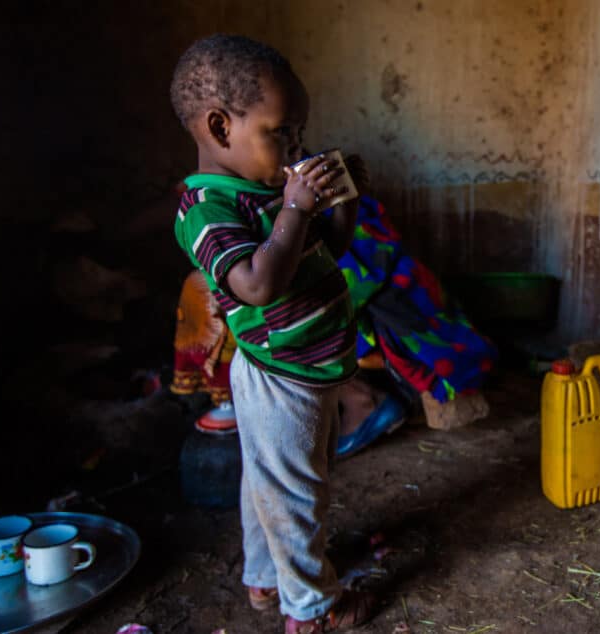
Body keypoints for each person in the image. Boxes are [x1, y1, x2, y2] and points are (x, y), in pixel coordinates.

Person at [170, 34, 380, 632]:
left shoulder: (268, 191)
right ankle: (313, 610)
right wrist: (296, 207)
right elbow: (257, 286)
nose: (296, 147)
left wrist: (341, 204)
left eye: (299, 134)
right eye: (281, 133)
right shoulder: (206, 208)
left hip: (307, 369)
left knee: (269, 486)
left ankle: (265, 580)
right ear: (219, 127)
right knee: (294, 495)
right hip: (279, 379)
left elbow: (324, 255)